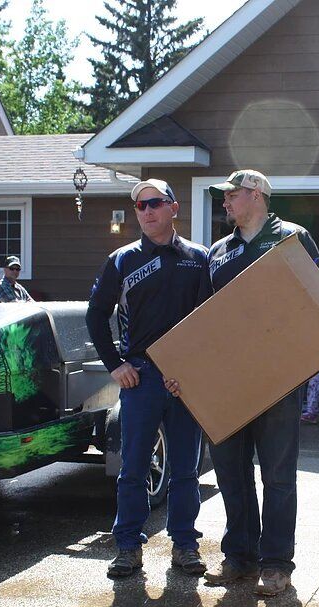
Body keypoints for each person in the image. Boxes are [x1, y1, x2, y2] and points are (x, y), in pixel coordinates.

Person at [171, 169, 319, 597]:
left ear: (256, 195)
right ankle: (239, 556)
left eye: (232, 195)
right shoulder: (218, 252)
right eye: (224, 197)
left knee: (278, 475)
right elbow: (204, 322)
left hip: (279, 379)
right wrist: (184, 369)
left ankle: (277, 564)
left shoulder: (291, 237)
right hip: (228, 382)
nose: (225, 202)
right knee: (230, 473)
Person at [85, 178, 211, 579]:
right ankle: (127, 546)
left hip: (187, 378)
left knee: (186, 468)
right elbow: (95, 315)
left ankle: (185, 546)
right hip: (139, 376)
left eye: (155, 203)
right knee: (134, 466)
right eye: (140, 206)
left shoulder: (200, 258)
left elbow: (215, 320)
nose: (147, 211)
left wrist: (198, 369)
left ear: (174, 208)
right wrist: (115, 365)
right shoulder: (121, 260)